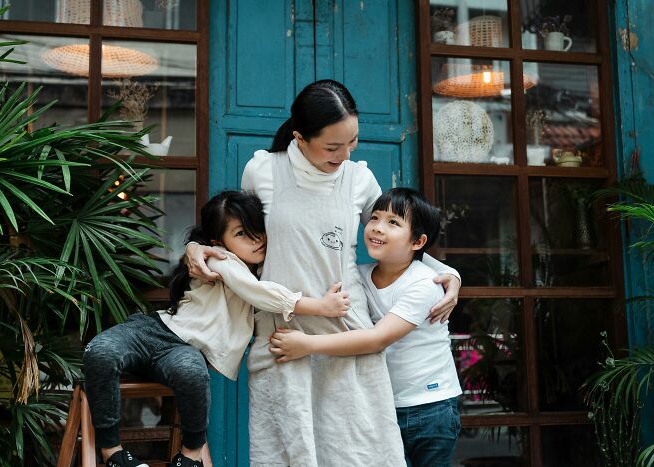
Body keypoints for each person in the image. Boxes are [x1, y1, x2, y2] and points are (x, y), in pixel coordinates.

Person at [186, 79, 461, 466]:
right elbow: (234, 234)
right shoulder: (262, 170)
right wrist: (196, 247)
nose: (345, 155)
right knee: (284, 453)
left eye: (352, 142)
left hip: (345, 329)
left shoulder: (360, 179)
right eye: (333, 147)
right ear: (300, 137)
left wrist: (447, 271)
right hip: (281, 337)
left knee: (358, 453)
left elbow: (395, 238)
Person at [83, 191, 350, 467]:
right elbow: (258, 293)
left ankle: (189, 457)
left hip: (184, 350)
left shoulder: (262, 269)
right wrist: (321, 306)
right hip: (153, 331)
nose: (256, 239)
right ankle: (112, 452)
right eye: (242, 233)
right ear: (217, 242)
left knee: (194, 375)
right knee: (99, 351)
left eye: (258, 229)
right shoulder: (219, 260)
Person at [268, 188, 462, 467]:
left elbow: (376, 339)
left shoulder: (424, 284)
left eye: (393, 223)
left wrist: (307, 345)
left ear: (418, 241)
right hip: (381, 403)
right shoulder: (359, 276)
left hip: (430, 407)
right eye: (375, 218)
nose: (378, 228)